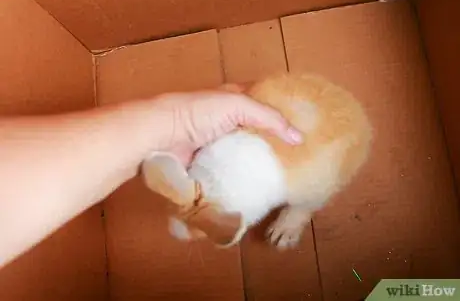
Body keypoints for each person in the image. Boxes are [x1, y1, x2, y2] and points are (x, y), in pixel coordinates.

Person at [0, 86, 303, 268]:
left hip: (293, 147)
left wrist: (176, 122)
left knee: (310, 184)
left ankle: (301, 211)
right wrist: (175, 122)